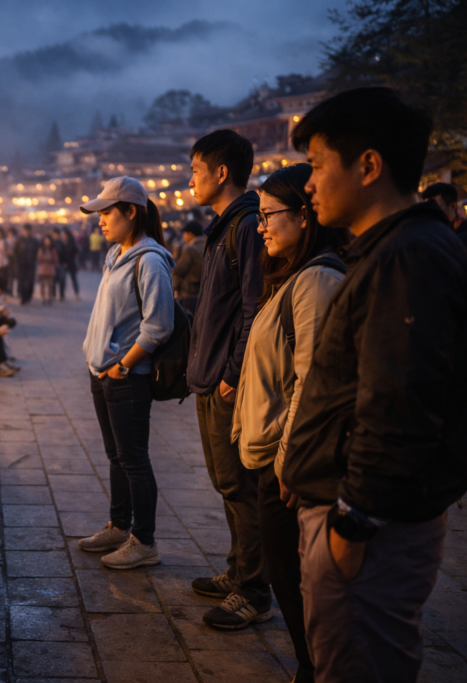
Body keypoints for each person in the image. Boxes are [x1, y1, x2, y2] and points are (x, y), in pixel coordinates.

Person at [282, 87, 467, 683]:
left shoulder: (406, 258)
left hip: (371, 535)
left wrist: (352, 522)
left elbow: (398, 407)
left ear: (368, 165)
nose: (308, 184)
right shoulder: (391, 250)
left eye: (317, 165)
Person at [232, 164, 349, 683]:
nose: (260, 227)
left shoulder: (317, 280)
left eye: (268, 215)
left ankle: (315, 668)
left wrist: (287, 462)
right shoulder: (292, 277)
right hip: (275, 454)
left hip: (289, 463)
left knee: (297, 579)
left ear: (304, 216)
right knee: (287, 575)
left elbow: (312, 378)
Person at [185, 129, 272, 629]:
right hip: (209, 377)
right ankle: (238, 570)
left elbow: (252, 306)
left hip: (225, 380)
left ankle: (254, 590)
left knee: (240, 485)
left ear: (222, 173)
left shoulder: (246, 226)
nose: (190, 180)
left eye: (195, 171)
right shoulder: (224, 226)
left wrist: (231, 374)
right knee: (226, 483)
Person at [76, 177, 175, 569]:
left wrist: (122, 365)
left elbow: (159, 325)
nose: (99, 220)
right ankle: (119, 526)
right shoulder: (116, 253)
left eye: (106, 212)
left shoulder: (150, 261)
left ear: (131, 212)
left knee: (134, 459)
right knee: (116, 456)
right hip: (101, 372)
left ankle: (145, 542)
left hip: (127, 378)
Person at [422, 181, 467, 252]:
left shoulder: (466, 232)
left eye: (436, 207)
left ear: (453, 206)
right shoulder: (429, 233)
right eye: (428, 208)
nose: (431, 212)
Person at [171, 221, 206, 313]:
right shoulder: (208, 246)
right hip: (205, 293)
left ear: (190, 234)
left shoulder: (190, 249)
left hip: (189, 294)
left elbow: (178, 271)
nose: (184, 237)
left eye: (185, 234)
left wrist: (175, 289)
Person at [14, 224, 39, 304]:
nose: (27, 232)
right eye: (25, 231)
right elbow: (15, 252)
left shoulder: (35, 241)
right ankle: (23, 297)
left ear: (31, 231)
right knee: (21, 281)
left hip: (31, 264)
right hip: (21, 264)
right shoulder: (19, 240)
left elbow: (37, 252)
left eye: (28, 231)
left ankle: (29, 295)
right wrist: (17, 262)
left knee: (30, 281)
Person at [58, 228, 81, 302]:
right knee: (62, 280)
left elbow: (76, 252)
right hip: (64, 263)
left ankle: (76, 294)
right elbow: (61, 254)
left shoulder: (72, 243)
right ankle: (61, 295)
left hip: (71, 263)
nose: (63, 236)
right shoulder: (62, 243)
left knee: (74, 279)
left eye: (64, 235)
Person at [37, 234, 59, 305]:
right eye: (46, 240)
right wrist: (46, 260)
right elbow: (39, 258)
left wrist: (51, 261)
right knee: (42, 285)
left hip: (50, 269)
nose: (47, 242)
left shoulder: (53, 250)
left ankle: (50, 298)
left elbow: (56, 260)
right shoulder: (41, 249)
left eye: (48, 240)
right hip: (43, 269)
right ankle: (43, 298)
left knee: (50, 285)